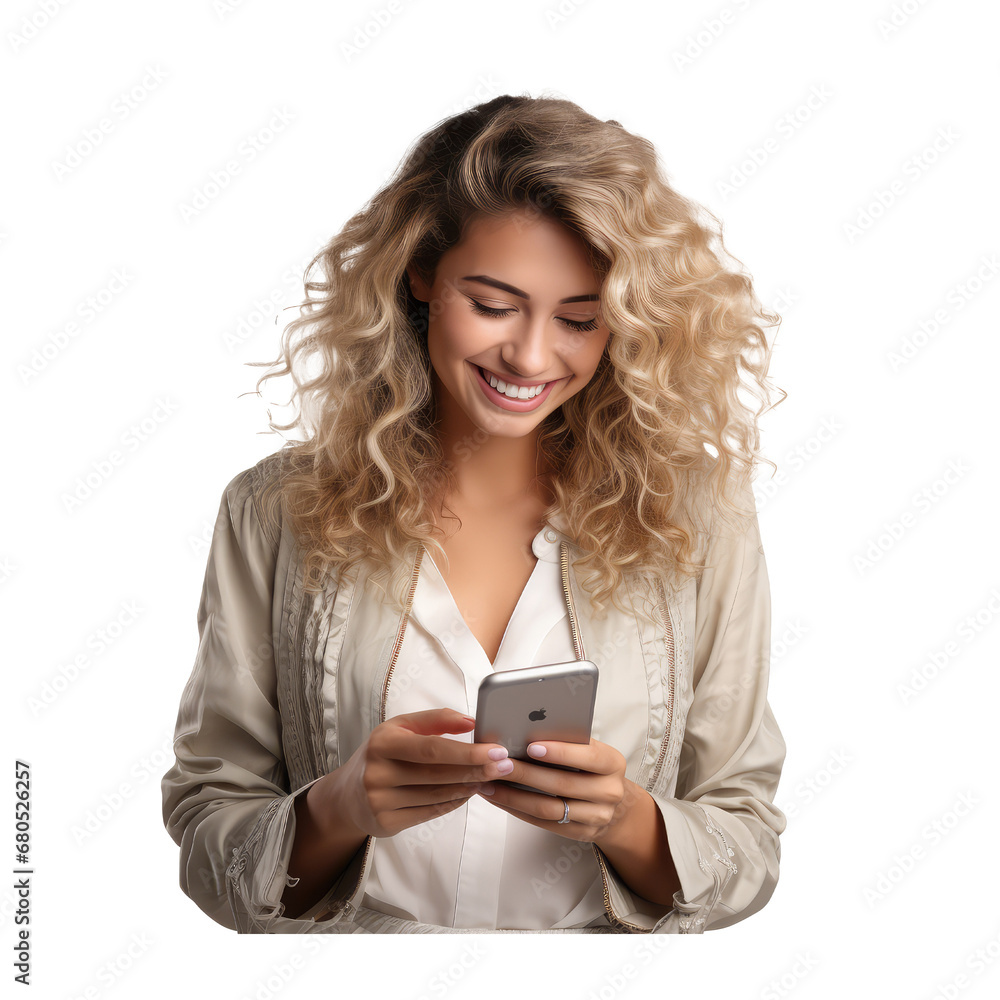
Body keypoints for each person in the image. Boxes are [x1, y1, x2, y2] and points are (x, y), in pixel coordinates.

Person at [161, 93, 787, 934]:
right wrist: (340, 806)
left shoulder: (698, 518)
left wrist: (627, 821)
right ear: (421, 272)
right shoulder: (274, 512)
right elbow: (210, 834)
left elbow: (747, 840)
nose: (530, 356)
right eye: (493, 305)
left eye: (579, 320)